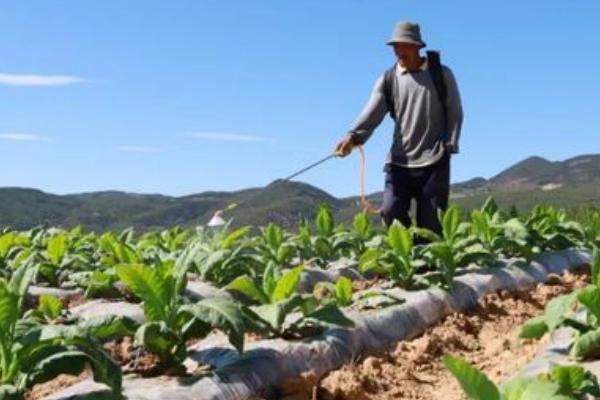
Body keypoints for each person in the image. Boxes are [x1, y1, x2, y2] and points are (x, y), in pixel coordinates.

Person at [335, 21, 463, 235]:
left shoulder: (441, 74)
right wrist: (353, 137)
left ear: (417, 46)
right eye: (396, 46)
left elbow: (455, 111)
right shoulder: (388, 79)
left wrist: (450, 144)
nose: (399, 51)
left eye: (405, 45)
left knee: (431, 223)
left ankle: (426, 266)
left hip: (434, 159)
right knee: (390, 210)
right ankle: (404, 256)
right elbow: (372, 111)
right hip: (399, 160)